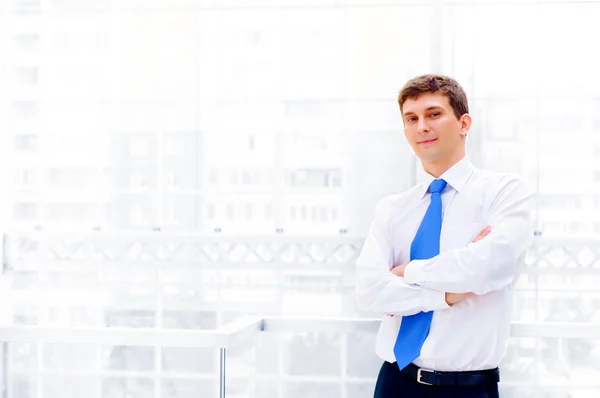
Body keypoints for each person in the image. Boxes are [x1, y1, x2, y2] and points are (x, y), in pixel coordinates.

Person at [355, 74, 534, 397]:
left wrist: (408, 272)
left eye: (433, 114)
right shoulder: (393, 209)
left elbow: (490, 267)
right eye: (411, 119)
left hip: (468, 387)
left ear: (464, 123)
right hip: (395, 382)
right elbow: (370, 291)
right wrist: (448, 294)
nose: (421, 126)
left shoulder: (504, 192)